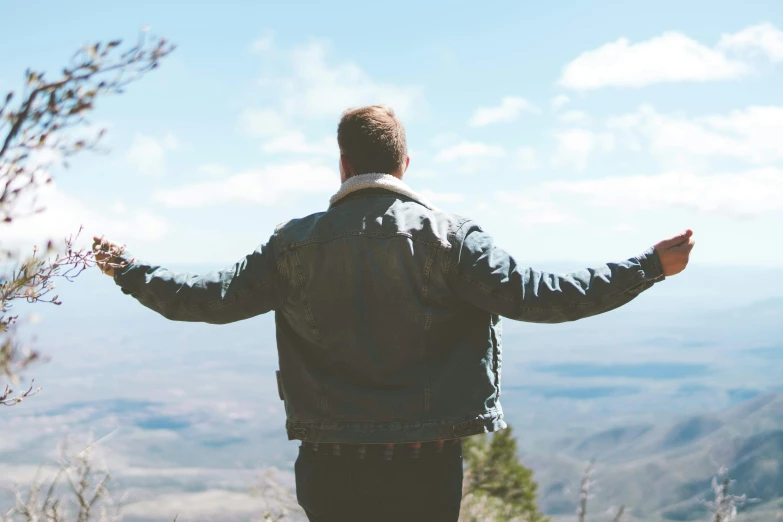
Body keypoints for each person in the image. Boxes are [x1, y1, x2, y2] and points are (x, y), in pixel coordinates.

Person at [93, 104, 695, 522]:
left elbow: (209, 298)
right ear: (405, 165)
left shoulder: (293, 245)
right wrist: (648, 266)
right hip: (423, 464)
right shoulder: (451, 239)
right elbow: (542, 294)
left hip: (329, 463)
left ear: (344, 165)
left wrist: (128, 270)